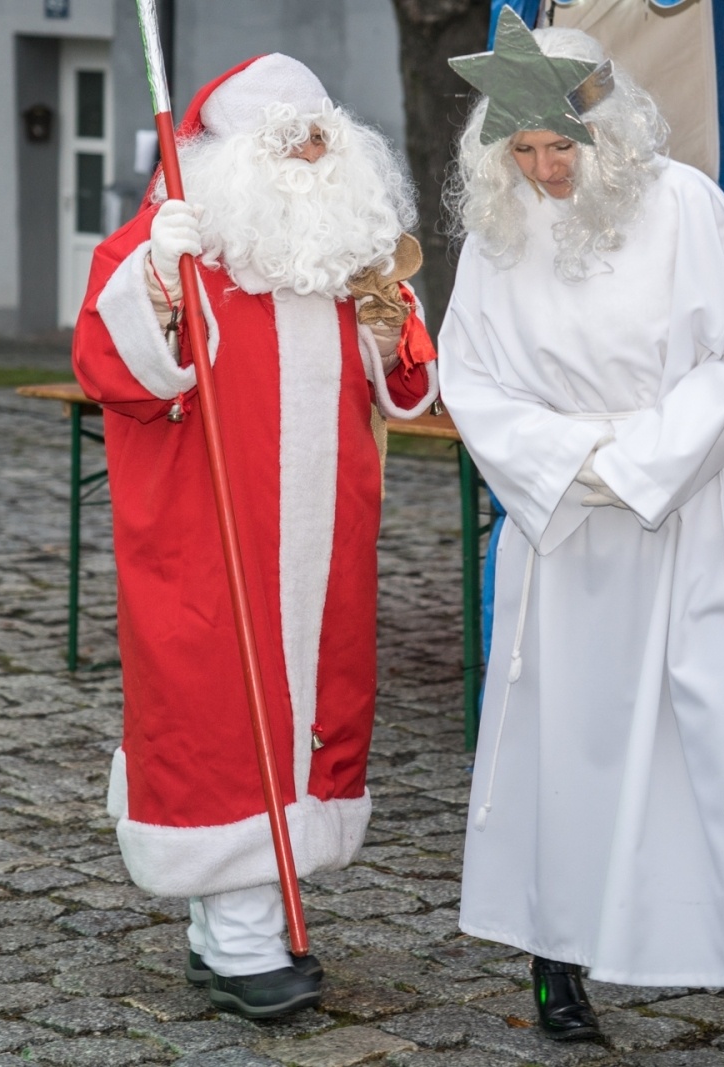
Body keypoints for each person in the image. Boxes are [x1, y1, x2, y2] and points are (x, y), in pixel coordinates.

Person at [438, 13, 724, 1063]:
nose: (544, 168)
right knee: (570, 742)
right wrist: (569, 466)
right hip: (566, 532)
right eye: (520, 150)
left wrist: (641, 461)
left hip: (688, 511)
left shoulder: (688, 207)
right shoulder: (498, 235)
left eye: (560, 145)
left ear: (605, 126)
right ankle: (556, 959)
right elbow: (470, 378)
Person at [72, 53, 437, 1019]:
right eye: (286, 143)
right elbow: (112, 367)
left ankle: (223, 928)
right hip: (212, 539)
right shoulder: (176, 248)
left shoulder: (349, 254)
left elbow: (407, 389)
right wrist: (154, 274)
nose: (308, 159)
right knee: (221, 719)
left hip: (325, 545)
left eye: (320, 139)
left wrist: (390, 321)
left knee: (306, 713)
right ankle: (241, 939)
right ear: (230, 157)